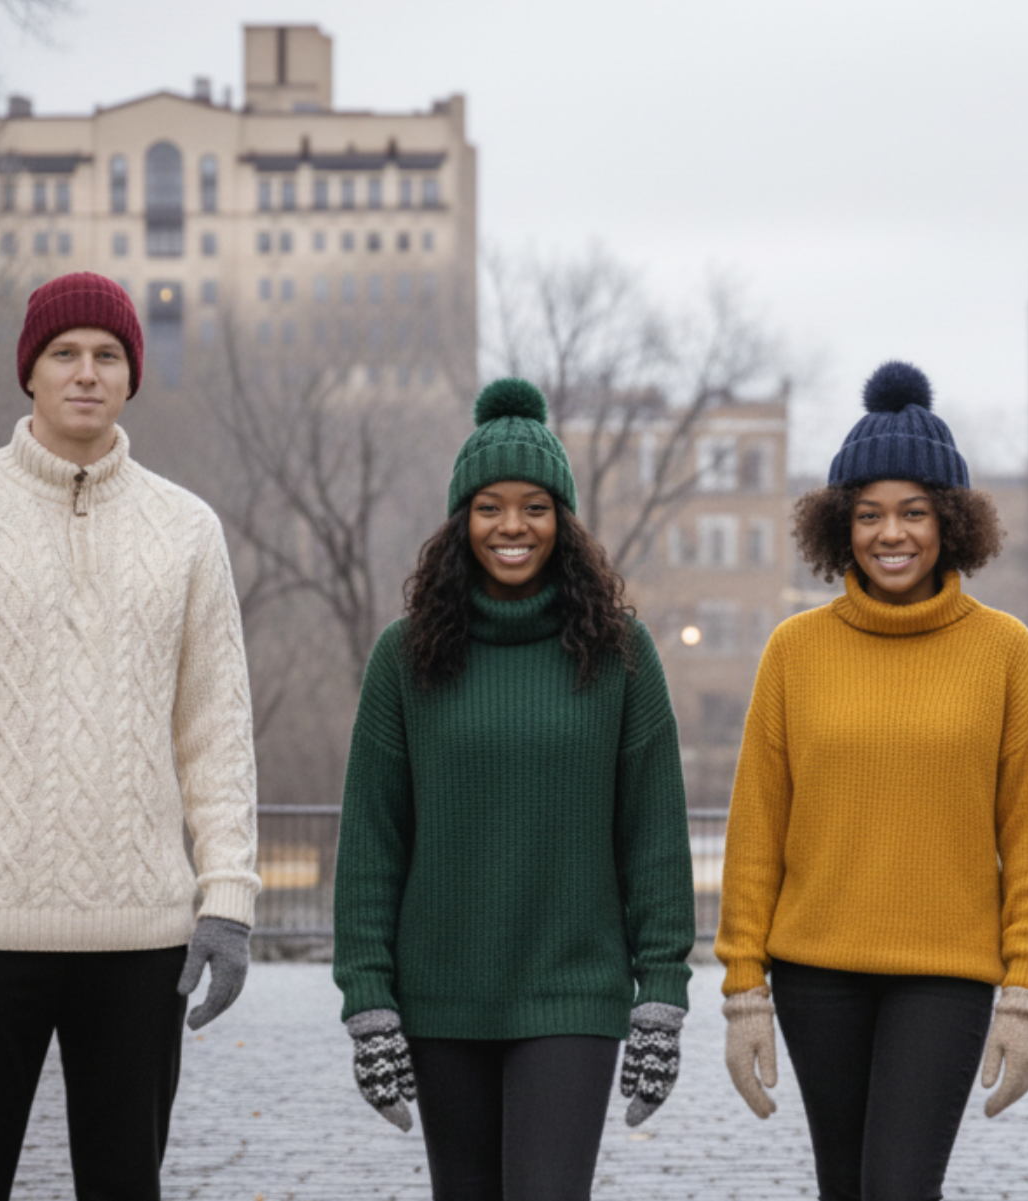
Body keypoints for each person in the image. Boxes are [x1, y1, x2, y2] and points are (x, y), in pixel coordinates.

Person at [0, 271, 260, 1201]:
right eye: (65, 353)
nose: (87, 372)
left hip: (145, 937)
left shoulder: (188, 530)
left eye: (108, 355)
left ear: (132, 377)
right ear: (30, 372)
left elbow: (217, 732)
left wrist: (228, 897)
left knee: (125, 1186)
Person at [716, 362, 1028, 1201]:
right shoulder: (793, 651)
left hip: (945, 975)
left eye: (914, 511)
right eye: (870, 513)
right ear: (842, 524)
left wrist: (1025, 994)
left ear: (950, 521)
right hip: (816, 974)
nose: (892, 533)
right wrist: (743, 989)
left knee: (900, 1188)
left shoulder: (1005, 651)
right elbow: (757, 830)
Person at [333, 378, 695, 1201]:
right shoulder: (405, 656)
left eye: (534, 506)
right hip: (441, 995)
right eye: (490, 506)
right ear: (461, 519)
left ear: (563, 520)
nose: (512, 526)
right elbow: (372, 844)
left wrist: (662, 995)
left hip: (573, 989)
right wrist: (369, 1000)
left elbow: (655, 838)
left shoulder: (621, 654)